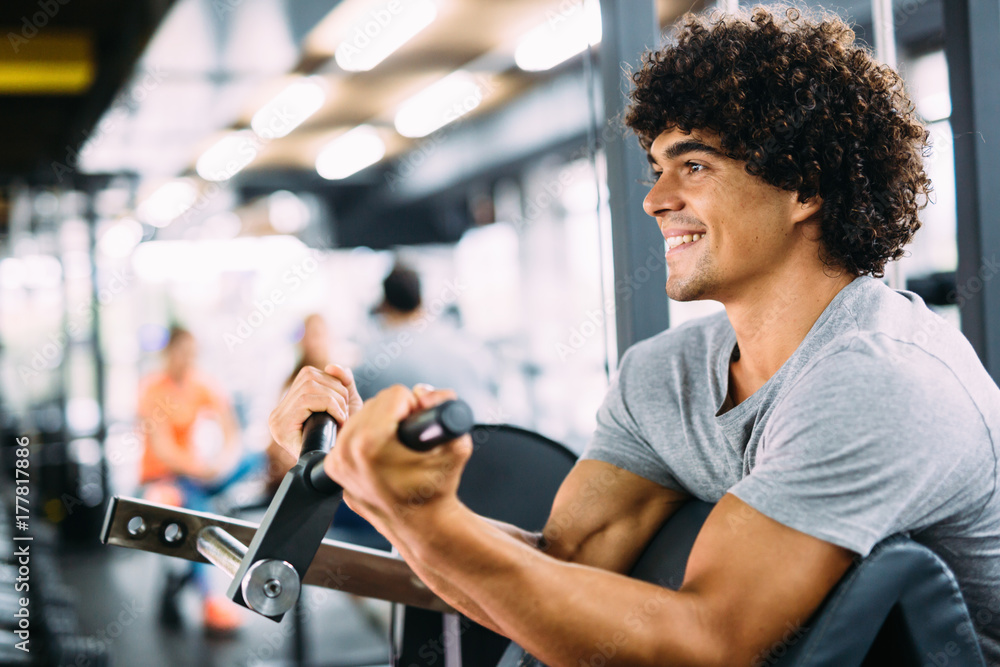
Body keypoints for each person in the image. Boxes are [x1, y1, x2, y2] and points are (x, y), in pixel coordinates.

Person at [268, 7, 1000, 665]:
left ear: (804, 188)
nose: (655, 199)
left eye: (694, 165)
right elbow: (564, 569)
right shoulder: (666, 373)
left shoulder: (879, 376)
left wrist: (427, 520)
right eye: (657, 167)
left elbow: (705, 644)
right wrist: (373, 484)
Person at [138, 325, 247, 634]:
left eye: (192, 353)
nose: (187, 359)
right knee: (196, 510)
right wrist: (202, 470)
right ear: (167, 352)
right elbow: (164, 449)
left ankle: (186, 580)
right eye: (181, 352)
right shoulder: (152, 389)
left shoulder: (201, 384)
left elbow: (231, 432)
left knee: (252, 458)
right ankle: (209, 598)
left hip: (196, 475)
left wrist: (221, 464)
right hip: (162, 475)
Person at [353, 261, 498, 418]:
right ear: (421, 300)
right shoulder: (470, 348)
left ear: (384, 304)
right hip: (478, 439)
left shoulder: (371, 363)